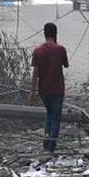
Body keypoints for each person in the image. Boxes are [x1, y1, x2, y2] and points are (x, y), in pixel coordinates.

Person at [29, 23, 68, 153]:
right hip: (57, 89)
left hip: (43, 90)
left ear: (44, 33)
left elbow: (35, 73)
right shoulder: (60, 49)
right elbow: (66, 64)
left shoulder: (37, 50)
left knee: (49, 113)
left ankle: (46, 141)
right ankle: (51, 146)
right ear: (55, 33)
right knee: (56, 117)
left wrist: (32, 92)